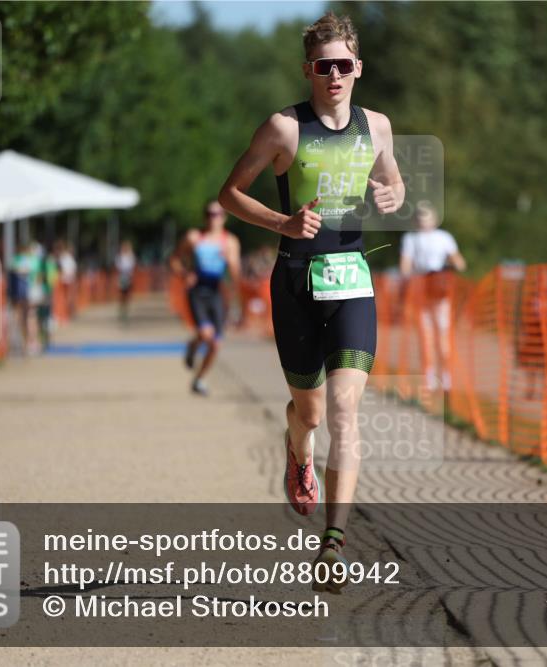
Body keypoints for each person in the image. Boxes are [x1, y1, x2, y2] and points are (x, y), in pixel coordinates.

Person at [218, 11, 404, 591]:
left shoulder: (377, 127)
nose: (334, 75)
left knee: (345, 412)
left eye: (343, 65)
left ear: (358, 69)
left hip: (352, 280)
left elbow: (393, 182)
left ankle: (333, 545)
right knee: (312, 413)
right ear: (308, 70)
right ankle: (297, 453)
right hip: (295, 283)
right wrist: (284, 221)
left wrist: (393, 192)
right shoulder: (283, 129)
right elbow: (229, 195)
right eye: (323, 66)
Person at [170, 201, 241, 396]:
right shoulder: (194, 237)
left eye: (218, 214)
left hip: (217, 291)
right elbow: (174, 259)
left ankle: (199, 379)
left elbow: (235, 274)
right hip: (197, 291)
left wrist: (229, 262)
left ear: (224, 217)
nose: (213, 218)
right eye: (210, 213)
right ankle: (193, 346)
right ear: (204, 216)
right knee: (205, 335)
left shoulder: (230, 241)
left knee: (216, 343)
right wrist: (185, 274)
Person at [399, 201, 466, 391]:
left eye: (426, 217)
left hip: (440, 292)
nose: (423, 221)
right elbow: (405, 265)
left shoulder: (444, 237)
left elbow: (459, 261)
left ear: (434, 219)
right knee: (425, 336)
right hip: (421, 292)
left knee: (442, 336)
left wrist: (447, 268)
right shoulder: (411, 239)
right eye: (420, 217)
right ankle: (429, 377)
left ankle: (446, 376)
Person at [56, 240, 78, 320]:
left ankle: (69, 312)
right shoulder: (65, 257)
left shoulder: (66, 258)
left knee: (69, 297)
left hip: (67, 280)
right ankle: (67, 313)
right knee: (67, 297)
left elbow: (71, 270)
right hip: (65, 280)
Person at [115, 240, 136, 324]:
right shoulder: (119, 256)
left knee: (127, 295)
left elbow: (132, 264)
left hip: (128, 277)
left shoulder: (130, 256)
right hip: (122, 276)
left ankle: (126, 311)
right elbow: (118, 266)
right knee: (121, 294)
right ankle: (121, 310)